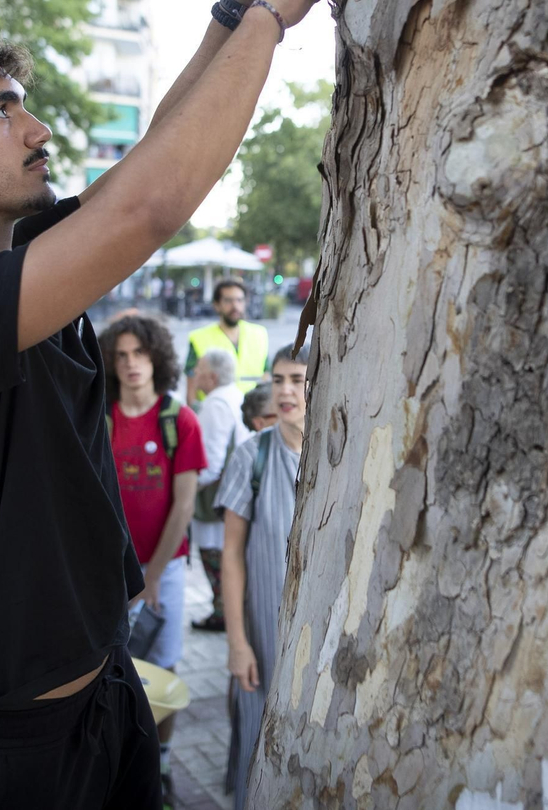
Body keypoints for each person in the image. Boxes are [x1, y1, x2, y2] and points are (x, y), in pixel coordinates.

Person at [0, 0, 367, 807]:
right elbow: (148, 208)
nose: (36, 129)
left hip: (103, 695)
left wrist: (232, 8)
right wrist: (270, 17)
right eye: (1, 109)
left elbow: (146, 164)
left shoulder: (19, 262)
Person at [98, 313, 207, 801]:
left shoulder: (178, 419)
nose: (130, 364)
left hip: (163, 571)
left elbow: (184, 505)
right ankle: (112, 759)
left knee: (162, 672)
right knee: (105, 670)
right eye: (120, 356)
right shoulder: (97, 416)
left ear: (156, 358)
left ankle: (159, 766)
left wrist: (154, 575)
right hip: (104, 574)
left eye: (139, 354)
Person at [218, 345, 309, 810]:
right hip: (262, 638)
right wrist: (237, 642)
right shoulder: (252, 456)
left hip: (320, 648)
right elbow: (231, 555)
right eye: (278, 380)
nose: (286, 391)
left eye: (297, 379)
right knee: (258, 750)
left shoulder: (341, 452)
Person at [187, 348, 249, 634]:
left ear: (211, 377)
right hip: (230, 494)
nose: (194, 375)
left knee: (215, 557)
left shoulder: (215, 404)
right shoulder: (233, 395)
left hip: (214, 499)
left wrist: (185, 491)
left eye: (198, 370)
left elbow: (209, 463)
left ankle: (222, 613)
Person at [185, 279, 268, 394]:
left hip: (253, 407)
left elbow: (267, 376)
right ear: (217, 305)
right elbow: (191, 383)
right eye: (228, 301)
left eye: (239, 300)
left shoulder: (259, 334)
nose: (235, 306)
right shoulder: (198, 338)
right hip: (215, 408)